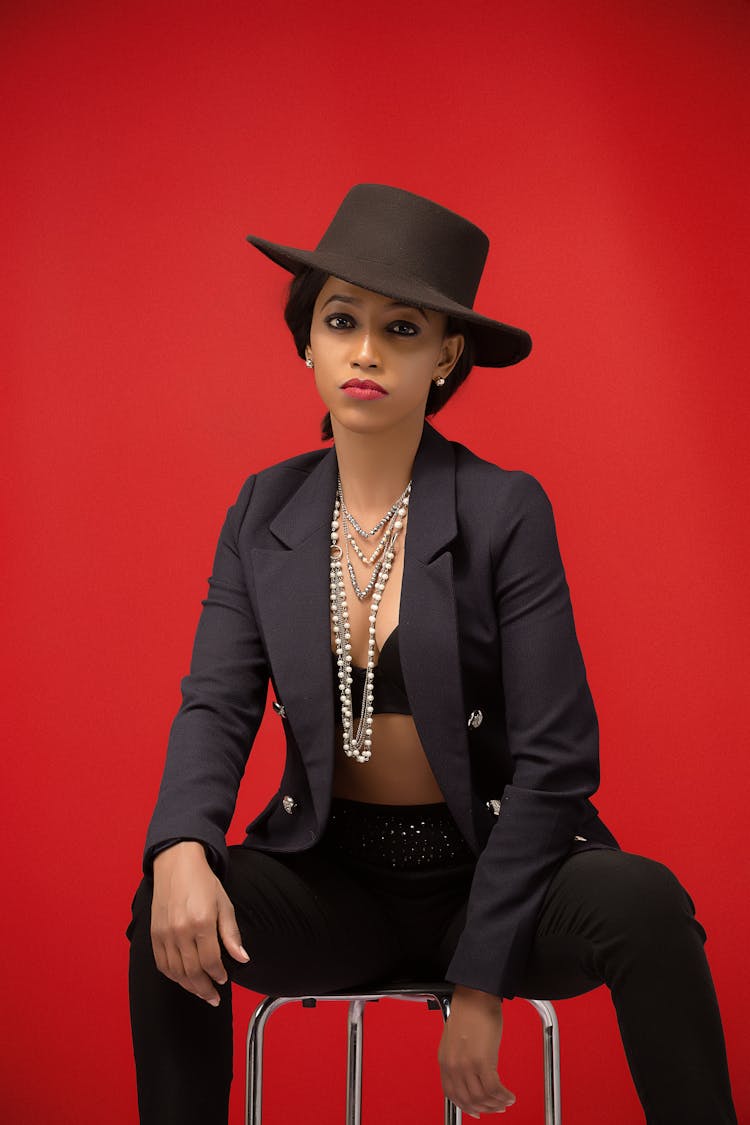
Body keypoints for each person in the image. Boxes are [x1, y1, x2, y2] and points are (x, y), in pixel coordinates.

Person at [126, 183, 737, 1124]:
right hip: (335, 883)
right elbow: (216, 703)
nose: (366, 351)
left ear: (448, 355)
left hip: (497, 873)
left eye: (402, 329)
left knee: (647, 903)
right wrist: (179, 845)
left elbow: (559, 759)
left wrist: (480, 982)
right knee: (168, 908)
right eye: (342, 320)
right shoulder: (262, 512)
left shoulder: (504, 509)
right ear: (309, 340)